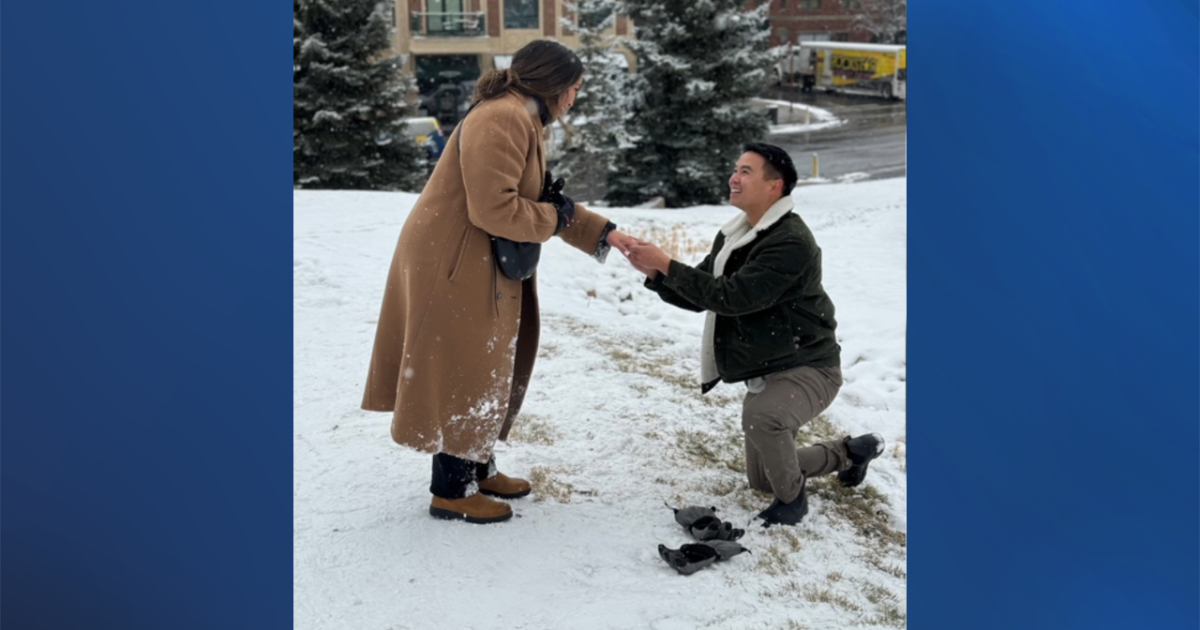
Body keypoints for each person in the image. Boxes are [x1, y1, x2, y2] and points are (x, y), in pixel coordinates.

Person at [362, 40, 635, 525]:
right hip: (455, 259)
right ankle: (452, 491)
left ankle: (478, 466)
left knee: (486, 363)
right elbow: (496, 208)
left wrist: (603, 234)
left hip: (475, 255)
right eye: (573, 89)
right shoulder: (504, 117)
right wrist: (556, 218)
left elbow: (544, 201)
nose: (574, 99)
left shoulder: (521, 116)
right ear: (551, 84)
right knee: (465, 366)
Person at [625, 142, 884, 527]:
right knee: (763, 478)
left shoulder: (791, 241)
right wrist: (657, 273)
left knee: (762, 418)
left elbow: (733, 298)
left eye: (746, 171)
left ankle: (793, 503)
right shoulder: (736, 236)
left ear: (774, 186)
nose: (734, 177)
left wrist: (667, 263)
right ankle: (851, 453)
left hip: (810, 365)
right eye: (735, 168)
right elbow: (702, 297)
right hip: (771, 364)